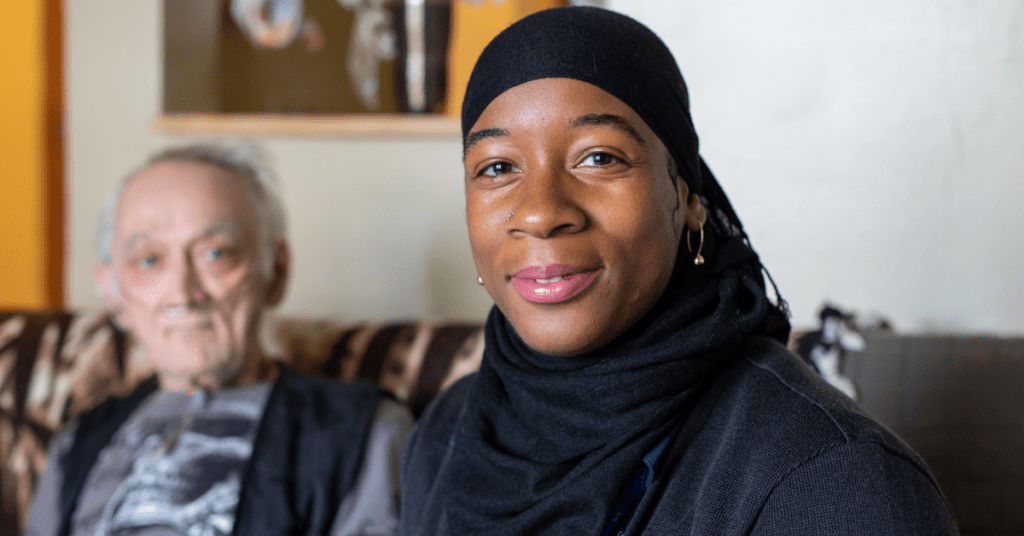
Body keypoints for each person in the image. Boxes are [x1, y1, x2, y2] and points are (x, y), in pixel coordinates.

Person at [401, 7, 958, 535]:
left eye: (599, 157)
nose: (542, 213)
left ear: (687, 198)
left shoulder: (838, 481)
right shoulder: (446, 432)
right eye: (497, 167)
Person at [25, 144, 412, 536]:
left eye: (216, 253)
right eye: (148, 260)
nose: (183, 291)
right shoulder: (78, 442)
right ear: (113, 292)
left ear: (276, 273)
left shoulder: (362, 433)